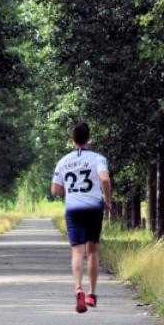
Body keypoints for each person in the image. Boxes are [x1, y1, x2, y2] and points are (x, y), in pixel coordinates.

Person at [51, 122, 112, 313]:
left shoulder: (63, 161)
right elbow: (104, 179)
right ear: (89, 139)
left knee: (77, 252)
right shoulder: (98, 159)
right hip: (94, 207)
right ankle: (91, 294)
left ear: (72, 140)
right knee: (92, 251)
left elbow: (55, 190)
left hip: (73, 208)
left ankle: (78, 289)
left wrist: (70, 191)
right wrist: (108, 200)